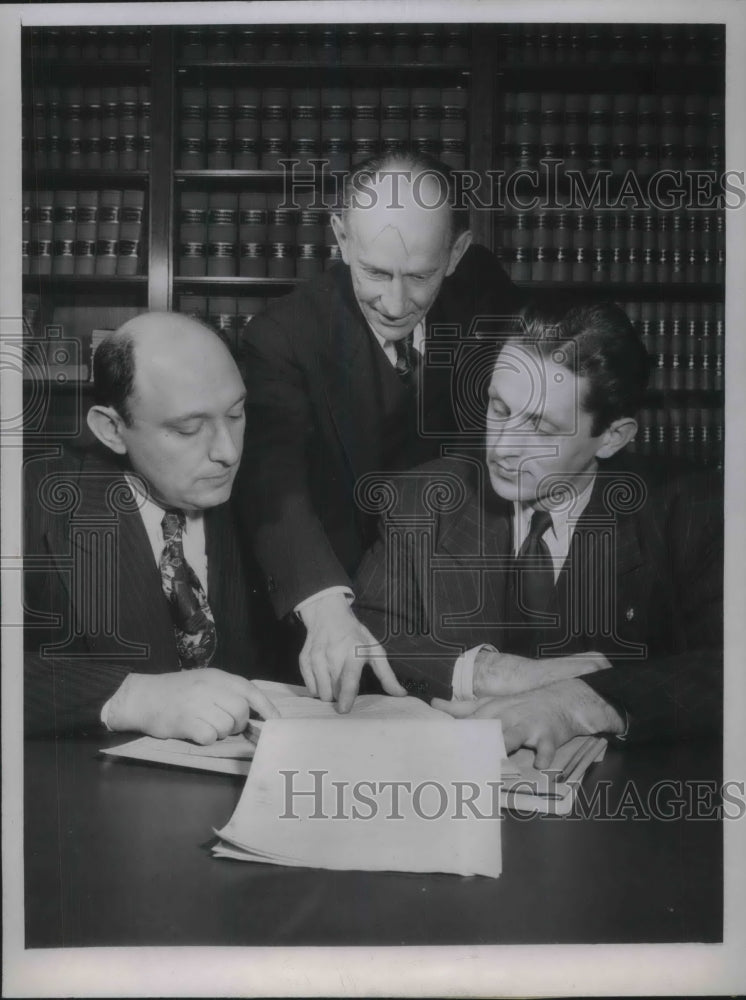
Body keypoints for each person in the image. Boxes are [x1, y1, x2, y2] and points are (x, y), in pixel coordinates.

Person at [353, 299, 723, 764]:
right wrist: (492, 673)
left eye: (542, 428)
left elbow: (729, 667)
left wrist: (583, 700)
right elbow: (364, 628)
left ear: (612, 437)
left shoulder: (691, 512)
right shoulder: (421, 498)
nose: (503, 447)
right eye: (499, 407)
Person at [237, 149, 523, 711]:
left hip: (467, 610)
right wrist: (324, 605)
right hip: (338, 624)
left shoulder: (488, 297)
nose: (395, 303)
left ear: (457, 252)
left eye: (420, 276)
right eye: (374, 273)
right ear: (342, 239)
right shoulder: (283, 335)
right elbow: (273, 480)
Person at [24, 312, 284, 743]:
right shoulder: (29, 502)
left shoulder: (275, 495)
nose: (227, 451)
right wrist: (132, 697)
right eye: (188, 429)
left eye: (236, 414)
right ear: (112, 429)